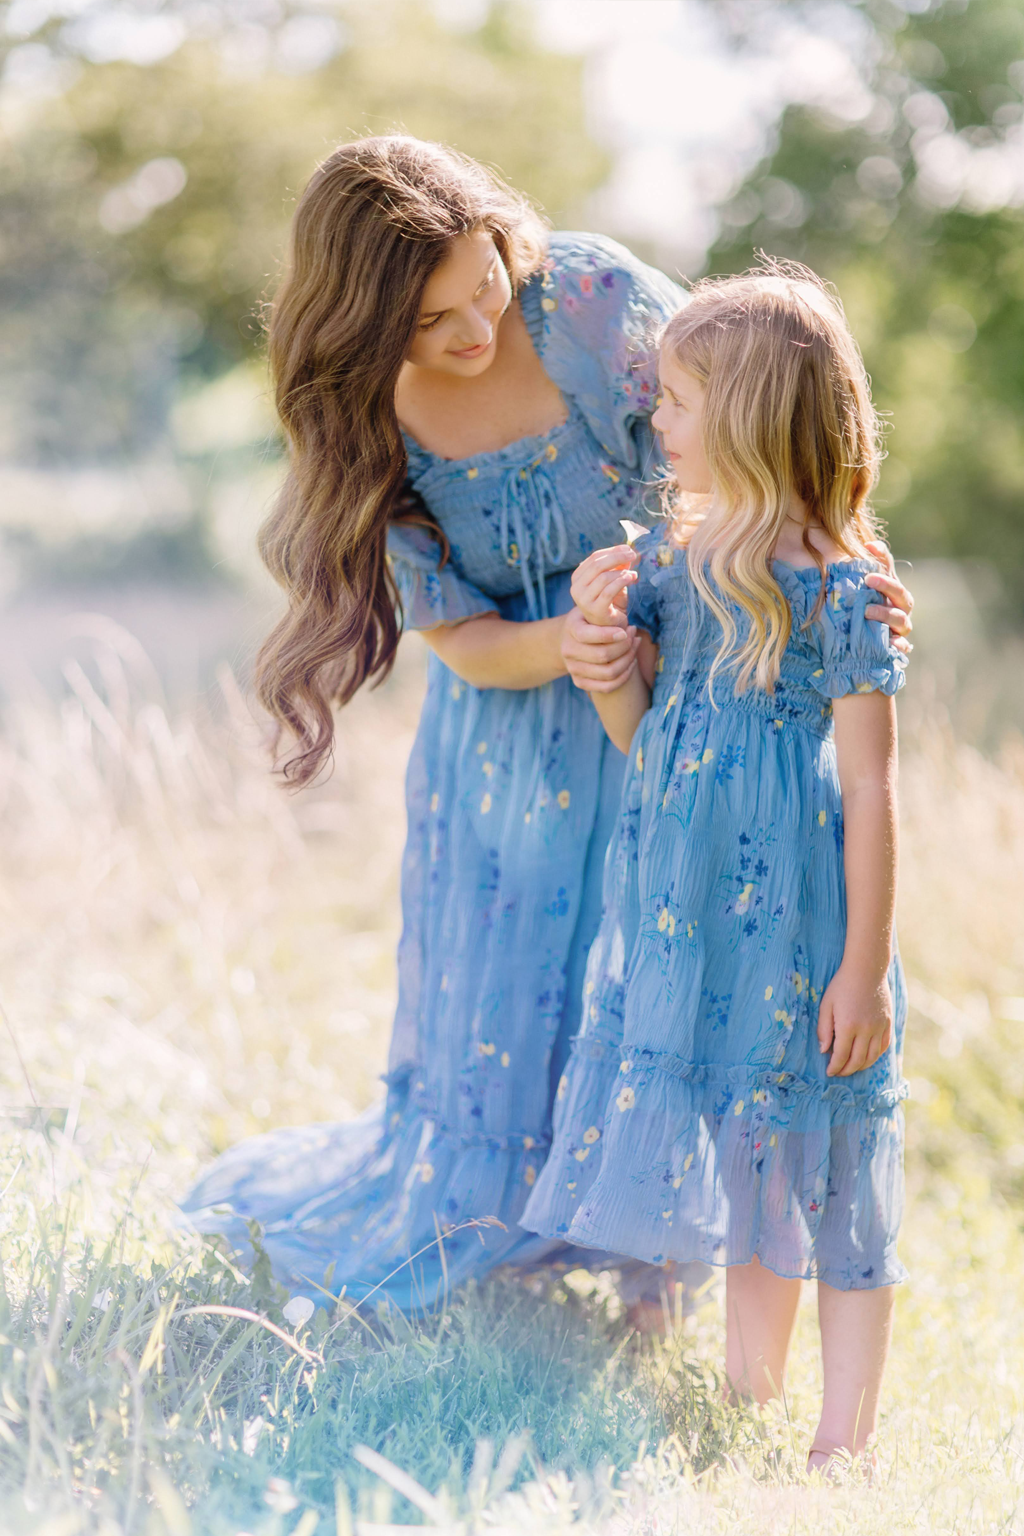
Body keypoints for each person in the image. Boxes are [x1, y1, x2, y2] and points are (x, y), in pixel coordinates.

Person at [181, 137, 914, 1325]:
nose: (476, 327)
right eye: (433, 320)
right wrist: (569, 651)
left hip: (678, 713)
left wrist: (850, 566)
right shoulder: (359, 417)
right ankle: (499, 1227)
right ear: (360, 325)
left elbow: (762, 430)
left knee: (657, 981)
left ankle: (656, 1257)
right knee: (507, 999)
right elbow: (458, 635)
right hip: (508, 738)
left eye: (484, 285)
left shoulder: (587, 299)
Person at [522, 263, 907, 1470]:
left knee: (828, 1168)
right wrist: (605, 672)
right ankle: (747, 1400)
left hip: (807, 938)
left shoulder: (842, 595)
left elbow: (872, 791)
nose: (657, 424)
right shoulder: (678, 582)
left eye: (678, 400)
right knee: (748, 1162)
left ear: (742, 417)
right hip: (693, 932)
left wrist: (863, 970)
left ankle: (841, 1437)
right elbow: (660, 752)